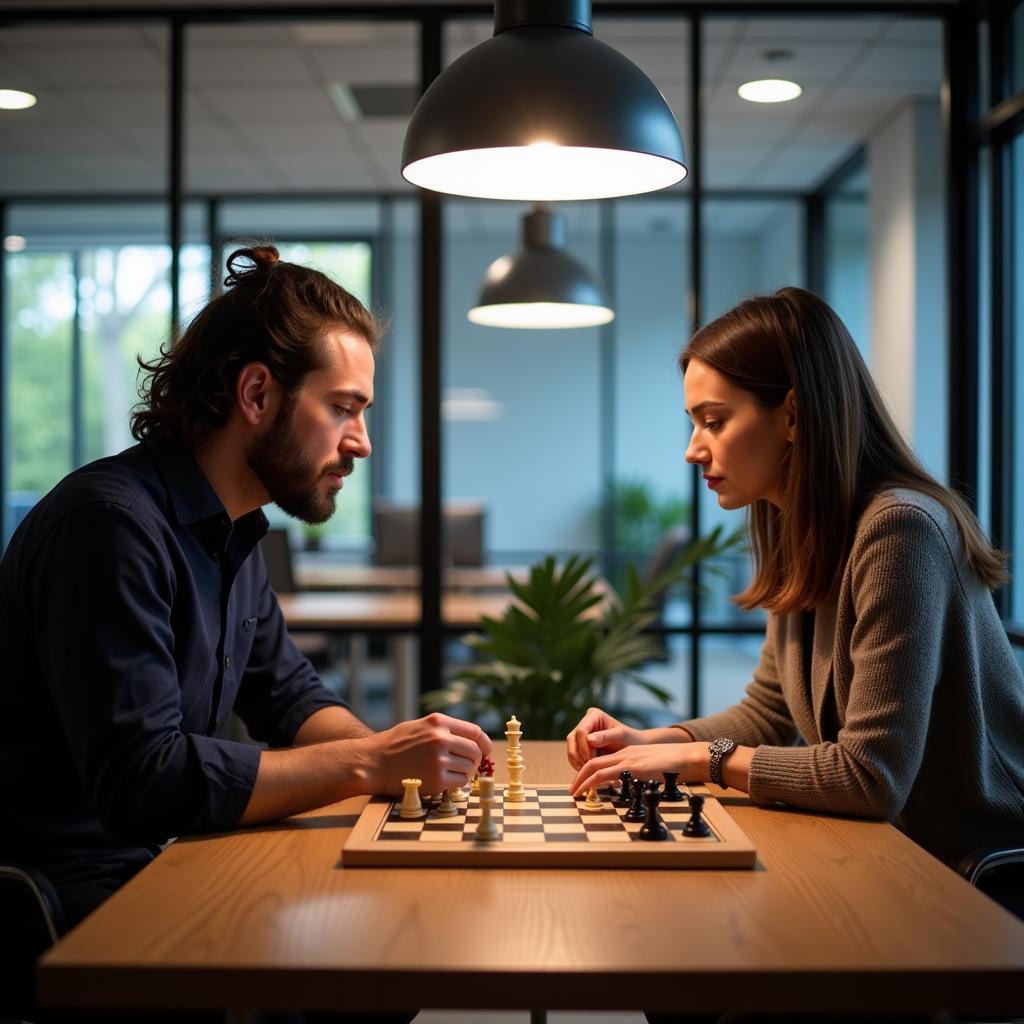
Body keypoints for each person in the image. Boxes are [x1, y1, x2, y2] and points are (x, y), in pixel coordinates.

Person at [0, 245, 490, 952]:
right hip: (70, 896)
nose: (363, 444)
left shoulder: (235, 529)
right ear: (257, 395)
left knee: (401, 934)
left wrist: (387, 753)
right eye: (343, 409)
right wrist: (371, 765)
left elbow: (288, 698)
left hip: (170, 856)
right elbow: (143, 779)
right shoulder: (107, 526)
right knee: (372, 965)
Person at [567, 286, 1024, 883]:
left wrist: (697, 758)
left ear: (791, 416)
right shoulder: (801, 524)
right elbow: (770, 711)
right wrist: (650, 739)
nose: (692, 451)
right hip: (894, 853)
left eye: (714, 420)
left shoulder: (899, 530)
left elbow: (870, 778)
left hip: (974, 872)